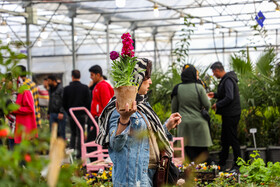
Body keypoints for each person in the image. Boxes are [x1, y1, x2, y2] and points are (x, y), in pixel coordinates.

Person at [96, 58, 182, 186]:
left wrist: (166, 126)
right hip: (133, 178)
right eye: (147, 78)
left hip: (149, 174)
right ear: (137, 79)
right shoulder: (120, 107)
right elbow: (115, 145)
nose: (151, 82)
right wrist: (124, 119)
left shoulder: (141, 105)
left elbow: (145, 137)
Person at [171, 64, 212, 162]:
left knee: (187, 154)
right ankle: (203, 174)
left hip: (184, 124)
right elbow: (207, 105)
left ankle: (189, 175)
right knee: (202, 154)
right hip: (200, 124)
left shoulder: (177, 88)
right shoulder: (199, 87)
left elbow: (174, 109)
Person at [208, 61, 241, 172]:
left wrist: (217, 104)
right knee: (225, 139)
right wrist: (215, 95)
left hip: (231, 114)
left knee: (232, 139)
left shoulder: (228, 80)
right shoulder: (226, 80)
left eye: (213, 72)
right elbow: (225, 94)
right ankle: (222, 163)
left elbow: (229, 97)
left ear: (217, 70)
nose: (214, 75)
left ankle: (238, 164)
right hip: (228, 114)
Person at [63, 70, 91, 158]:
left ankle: (72, 152)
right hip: (82, 115)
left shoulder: (66, 89)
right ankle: (80, 154)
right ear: (80, 76)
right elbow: (88, 102)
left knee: (73, 133)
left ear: (72, 76)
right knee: (81, 133)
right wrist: (85, 112)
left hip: (71, 115)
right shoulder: (85, 88)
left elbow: (64, 103)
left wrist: (69, 112)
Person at [13, 77, 37, 144]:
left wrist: (15, 109)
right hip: (14, 128)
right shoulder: (13, 93)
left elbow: (30, 108)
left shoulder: (25, 91)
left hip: (24, 128)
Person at [47, 75, 66, 139]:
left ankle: (62, 147)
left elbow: (64, 101)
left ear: (54, 81)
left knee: (61, 132)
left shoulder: (61, 89)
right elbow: (50, 101)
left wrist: (61, 112)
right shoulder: (51, 89)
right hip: (52, 113)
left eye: (49, 81)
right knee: (53, 132)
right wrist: (49, 112)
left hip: (59, 114)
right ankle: (54, 147)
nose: (48, 83)